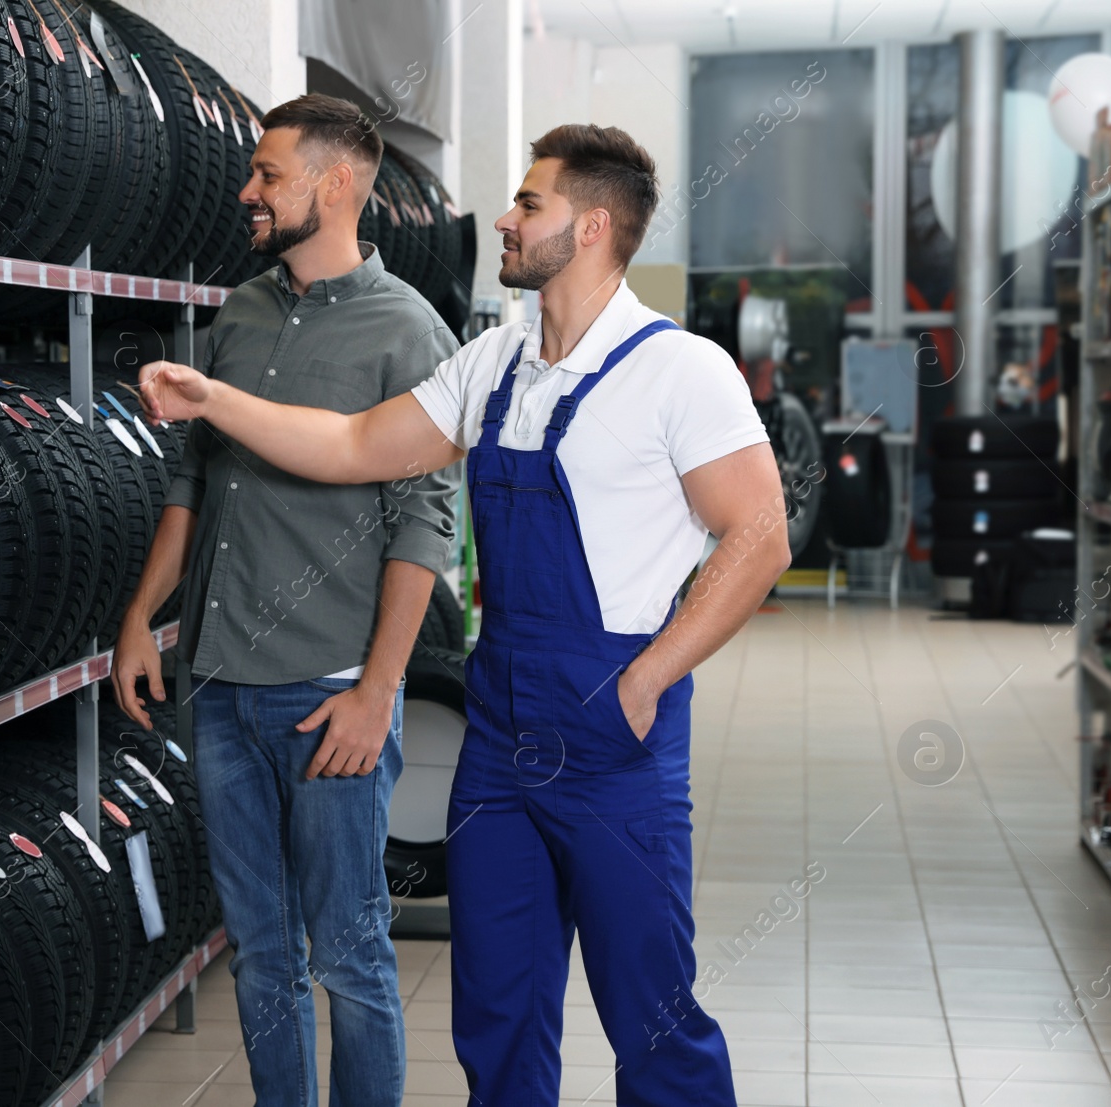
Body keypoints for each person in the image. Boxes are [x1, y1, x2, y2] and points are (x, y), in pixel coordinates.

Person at [134, 123, 792, 1106]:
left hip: (612, 728)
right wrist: (215, 400)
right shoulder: (495, 366)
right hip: (499, 730)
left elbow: (759, 538)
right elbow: (355, 443)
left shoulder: (678, 370)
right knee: (497, 1009)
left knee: (649, 1012)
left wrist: (650, 677)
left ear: (595, 227)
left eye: (530, 203)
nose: (506, 217)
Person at [109, 93, 459, 1107]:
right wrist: (143, 618)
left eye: (269, 173)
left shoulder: (411, 336)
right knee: (259, 953)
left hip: (327, 695)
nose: (247, 189)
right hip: (218, 690)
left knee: (347, 956)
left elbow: (422, 528)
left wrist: (377, 692)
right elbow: (194, 485)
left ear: (338, 183)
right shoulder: (242, 311)